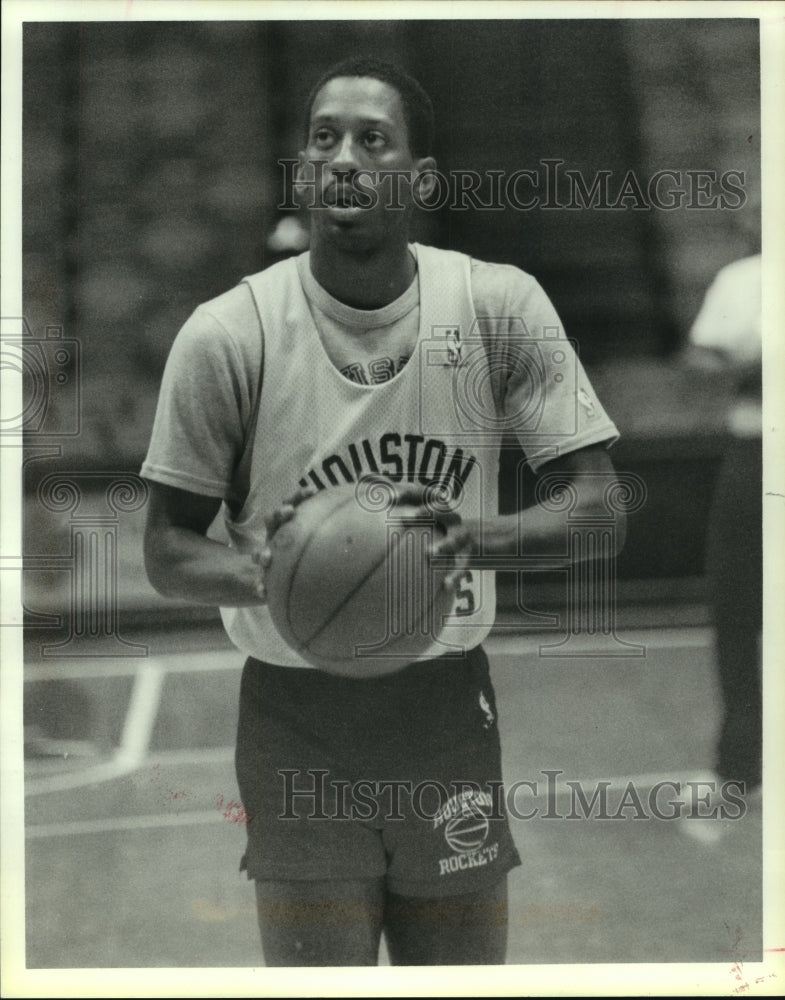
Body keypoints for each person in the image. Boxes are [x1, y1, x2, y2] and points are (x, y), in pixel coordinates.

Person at [141, 57, 622, 966]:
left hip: (441, 707)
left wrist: (476, 539)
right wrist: (271, 573)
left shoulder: (495, 306)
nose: (344, 160)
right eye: (323, 139)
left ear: (420, 178)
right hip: (294, 714)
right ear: (300, 170)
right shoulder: (227, 332)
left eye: (373, 139)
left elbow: (599, 511)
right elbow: (165, 548)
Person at [683, 253, 762, 798]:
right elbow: (699, 358)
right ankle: (740, 761)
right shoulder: (741, 278)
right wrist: (750, 366)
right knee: (735, 604)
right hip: (755, 454)